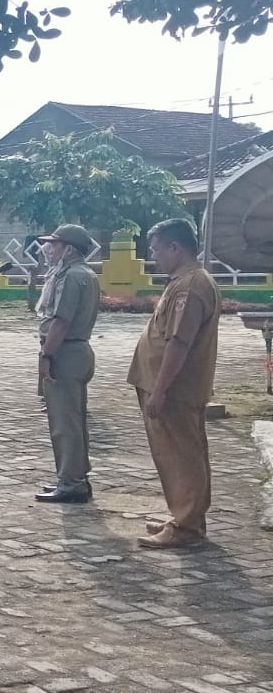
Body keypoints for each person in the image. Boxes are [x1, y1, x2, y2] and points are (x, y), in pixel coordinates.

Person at [129, 218, 221, 549]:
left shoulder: (190, 286)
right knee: (177, 454)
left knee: (183, 455)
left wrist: (160, 389)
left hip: (176, 390)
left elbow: (179, 343)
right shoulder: (184, 281)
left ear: (175, 248)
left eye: (156, 249)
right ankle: (185, 516)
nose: (153, 256)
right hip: (170, 388)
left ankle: (187, 525)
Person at [33, 224, 101, 504]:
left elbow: (61, 322)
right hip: (77, 351)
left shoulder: (72, 276)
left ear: (69, 249)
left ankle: (72, 482)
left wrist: (46, 356)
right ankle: (74, 477)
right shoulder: (85, 274)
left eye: (55, 244)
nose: (49, 249)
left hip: (66, 352)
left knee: (64, 422)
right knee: (73, 419)